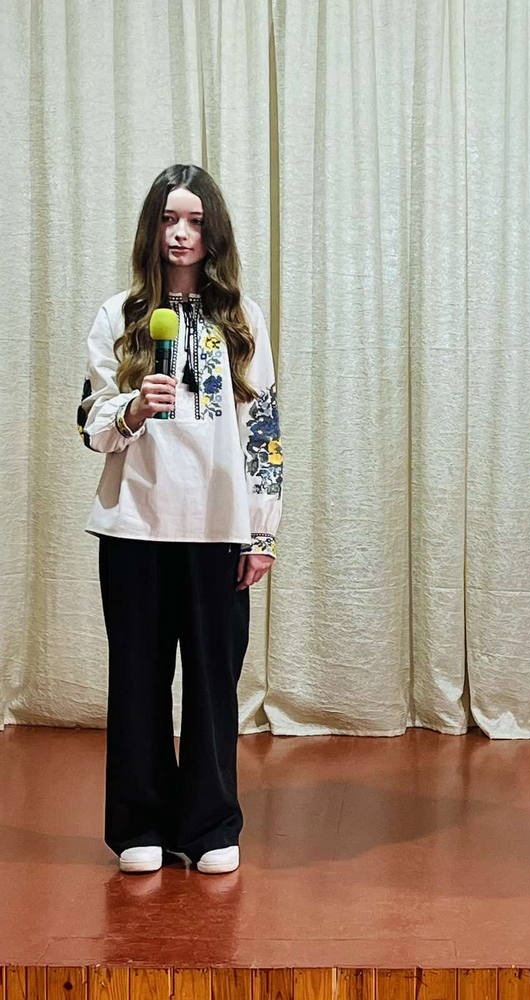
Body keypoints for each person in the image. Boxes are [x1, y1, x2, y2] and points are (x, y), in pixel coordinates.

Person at [77, 164, 283, 875]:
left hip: (219, 528)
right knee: (137, 680)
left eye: (194, 221)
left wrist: (262, 530)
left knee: (212, 683)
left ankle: (209, 824)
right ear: (152, 229)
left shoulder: (242, 318)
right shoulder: (119, 315)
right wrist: (133, 408)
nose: (181, 234)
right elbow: (90, 422)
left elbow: (264, 429)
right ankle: (138, 823)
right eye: (169, 219)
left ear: (212, 230)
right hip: (135, 526)